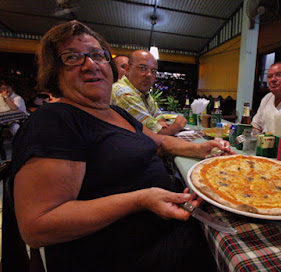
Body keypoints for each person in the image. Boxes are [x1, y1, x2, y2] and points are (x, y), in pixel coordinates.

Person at [11, 20, 233, 272]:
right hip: (126, 256)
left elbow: (157, 140)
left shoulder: (115, 112)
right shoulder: (55, 120)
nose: (91, 65)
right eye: (72, 57)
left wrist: (200, 148)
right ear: (54, 71)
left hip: (166, 226)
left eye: (97, 55)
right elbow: (37, 227)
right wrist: (140, 200)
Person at [111, 50, 187, 135]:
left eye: (153, 71)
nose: (149, 75)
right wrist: (178, 124)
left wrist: (156, 126)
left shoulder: (143, 92)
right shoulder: (124, 93)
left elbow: (161, 120)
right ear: (127, 69)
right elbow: (159, 133)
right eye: (143, 68)